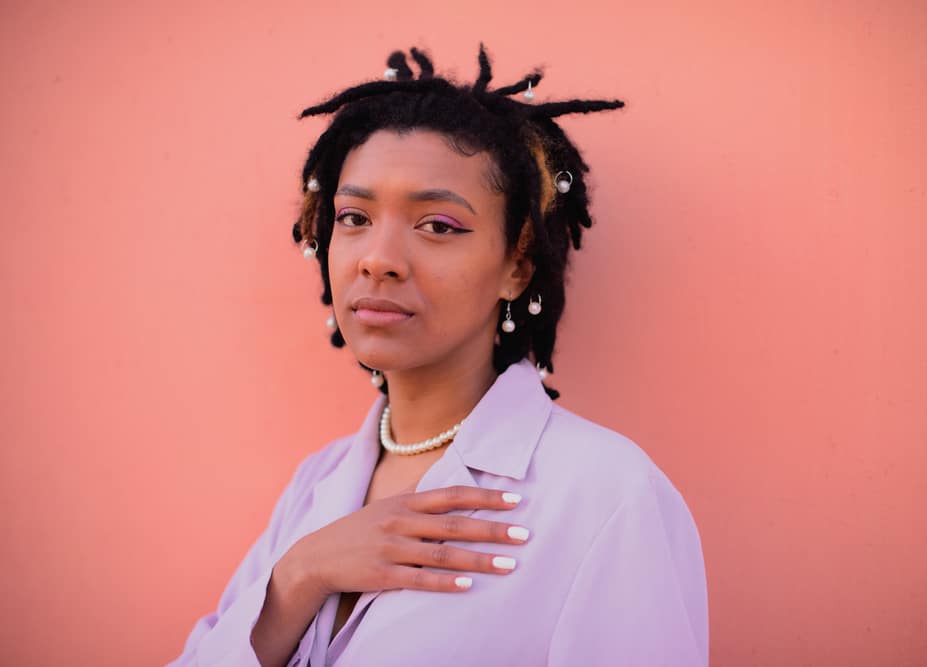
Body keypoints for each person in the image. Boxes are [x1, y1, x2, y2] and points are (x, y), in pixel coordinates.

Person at [168, 44, 708, 667]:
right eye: (354, 217)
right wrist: (298, 576)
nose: (378, 258)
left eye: (438, 226)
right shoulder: (316, 483)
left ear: (517, 266)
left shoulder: (604, 492)